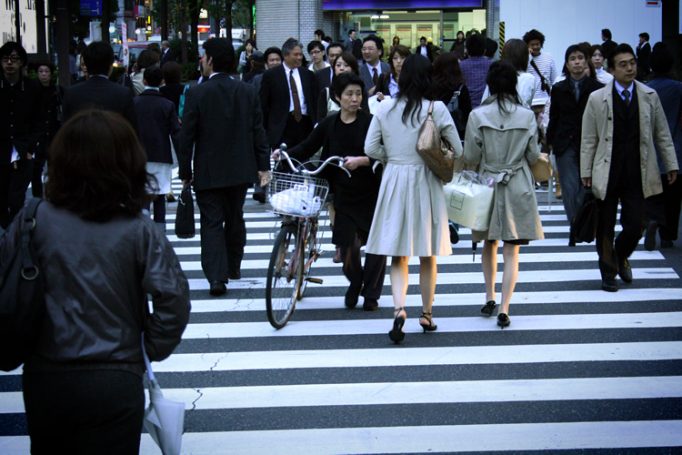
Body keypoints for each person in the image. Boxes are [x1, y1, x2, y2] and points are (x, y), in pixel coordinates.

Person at [0, 109, 190, 454]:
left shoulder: (33, 219)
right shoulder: (138, 227)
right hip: (116, 374)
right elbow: (173, 298)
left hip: (48, 371)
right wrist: (149, 347)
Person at [364, 54, 462, 344]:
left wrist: (392, 159)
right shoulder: (437, 108)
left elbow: (370, 146)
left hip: (394, 178)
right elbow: (456, 147)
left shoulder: (384, 108)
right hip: (426, 180)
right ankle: (427, 314)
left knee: (399, 252)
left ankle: (398, 309)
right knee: (427, 252)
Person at [275, 73, 386, 311]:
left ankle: (371, 295)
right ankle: (355, 281)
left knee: (376, 246)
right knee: (347, 247)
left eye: (358, 93)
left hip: (371, 191)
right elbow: (307, 147)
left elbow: (384, 154)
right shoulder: (329, 123)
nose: (355, 99)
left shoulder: (371, 122)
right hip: (342, 193)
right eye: (349, 94)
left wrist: (362, 161)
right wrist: (283, 155)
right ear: (337, 97)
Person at [581, 43, 678, 293]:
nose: (630, 68)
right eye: (623, 64)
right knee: (604, 225)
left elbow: (662, 134)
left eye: (632, 62)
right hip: (607, 169)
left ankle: (619, 254)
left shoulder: (649, 95)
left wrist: (670, 164)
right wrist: (586, 171)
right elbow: (589, 139)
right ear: (611, 69)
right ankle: (608, 273)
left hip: (639, 169)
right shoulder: (597, 98)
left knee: (636, 225)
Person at [179, 38, 270, 296]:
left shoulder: (197, 92)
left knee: (211, 221)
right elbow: (258, 132)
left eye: (203, 56)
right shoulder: (246, 91)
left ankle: (216, 278)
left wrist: (186, 172)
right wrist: (263, 166)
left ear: (210, 60)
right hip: (241, 168)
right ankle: (233, 266)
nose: (201, 60)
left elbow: (186, 137)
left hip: (208, 170)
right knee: (234, 216)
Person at [463, 61, 544, 329]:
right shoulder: (526, 116)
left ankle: (489, 296)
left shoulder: (477, 115)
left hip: (488, 182)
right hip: (517, 182)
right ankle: (506, 307)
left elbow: (472, 157)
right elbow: (533, 155)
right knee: (512, 249)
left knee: (489, 243)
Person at [546, 44, 604, 243]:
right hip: (565, 143)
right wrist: (550, 142)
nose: (577, 62)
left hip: (591, 144)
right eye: (572, 58)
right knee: (570, 187)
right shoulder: (559, 89)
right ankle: (575, 225)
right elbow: (554, 117)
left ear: (586, 61)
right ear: (567, 64)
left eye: (580, 58)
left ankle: (581, 222)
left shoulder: (598, 89)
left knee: (585, 187)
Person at [0, 42, 43, 229]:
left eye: (14, 59)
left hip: (23, 148)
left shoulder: (32, 88)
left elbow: (39, 121)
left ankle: (15, 236)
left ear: (22, 62)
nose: (9, 63)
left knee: (17, 198)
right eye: (5, 59)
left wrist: (31, 147)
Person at [644, 43, 682, 250]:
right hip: (675, 147)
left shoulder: (645, 89)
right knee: (673, 196)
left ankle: (653, 219)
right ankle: (667, 235)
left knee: (652, 192)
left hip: (649, 149)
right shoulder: (678, 88)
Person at [133, 64, 180, 228]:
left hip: (138, 156)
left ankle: (143, 229)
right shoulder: (167, 105)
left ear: (144, 81)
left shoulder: (134, 103)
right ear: (162, 82)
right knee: (160, 194)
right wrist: (183, 160)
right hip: (161, 155)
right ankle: (160, 234)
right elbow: (176, 133)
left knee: (142, 194)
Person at [61, 41, 138, 132]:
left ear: (86, 65)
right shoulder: (123, 93)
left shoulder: (71, 93)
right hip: (114, 144)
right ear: (110, 66)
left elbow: (65, 130)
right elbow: (132, 131)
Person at [260, 38, 317, 150]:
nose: (299, 57)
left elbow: (314, 101)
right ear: (285, 55)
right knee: (283, 163)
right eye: (296, 54)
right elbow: (263, 105)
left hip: (305, 125)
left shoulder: (308, 75)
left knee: (304, 163)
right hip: (282, 127)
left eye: (301, 54)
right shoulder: (271, 76)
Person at [34, 62, 64, 197]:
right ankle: (37, 197)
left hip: (54, 132)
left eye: (46, 71)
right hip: (38, 134)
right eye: (41, 71)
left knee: (54, 168)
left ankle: (53, 195)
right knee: (36, 169)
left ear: (51, 74)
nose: (44, 74)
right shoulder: (33, 90)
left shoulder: (57, 90)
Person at [482, 38, 537, 108]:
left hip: (493, 115)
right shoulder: (529, 78)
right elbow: (526, 104)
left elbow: (484, 101)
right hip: (520, 117)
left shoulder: (497, 74)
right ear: (525, 57)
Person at [430, 51, 472, 139]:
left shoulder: (430, 86)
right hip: (456, 132)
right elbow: (467, 113)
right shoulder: (461, 88)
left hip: (433, 131)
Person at [317, 52, 369, 120]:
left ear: (353, 69)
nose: (341, 68)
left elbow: (366, 117)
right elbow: (321, 121)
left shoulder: (361, 91)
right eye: (338, 65)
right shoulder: (326, 92)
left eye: (346, 65)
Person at [524, 29, 557, 107]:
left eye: (537, 44)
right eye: (532, 44)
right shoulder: (524, 58)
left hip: (546, 101)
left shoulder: (549, 57)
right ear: (527, 45)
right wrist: (528, 56)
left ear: (541, 44)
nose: (535, 47)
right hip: (529, 102)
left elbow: (554, 80)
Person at [459, 33, 491, 108]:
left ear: (467, 49)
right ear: (484, 49)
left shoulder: (461, 65)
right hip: (487, 106)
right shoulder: (492, 65)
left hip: (467, 108)